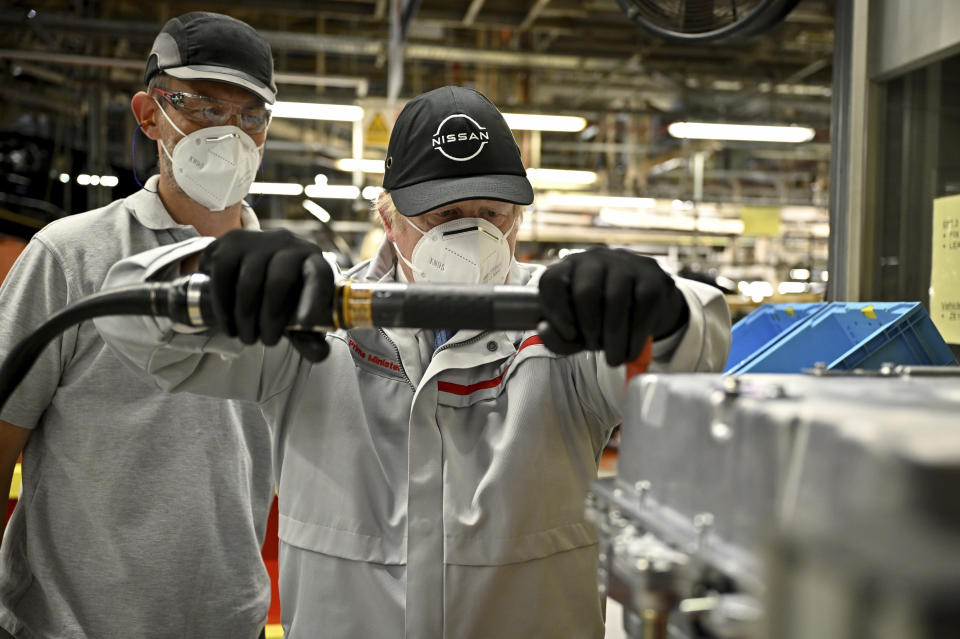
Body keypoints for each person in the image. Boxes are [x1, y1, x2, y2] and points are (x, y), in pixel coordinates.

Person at [95, 86, 731, 638]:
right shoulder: (315, 332)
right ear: (389, 216)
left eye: (491, 214)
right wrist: (210, 271)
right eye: (446, 214)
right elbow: (139, 333)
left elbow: (687, 368)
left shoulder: (563, 331)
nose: (472, 235)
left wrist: (662, 308)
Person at [0, 12, 278, 639]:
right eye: (203, 107)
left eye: (250, 115)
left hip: (230, 625)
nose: (229, 133)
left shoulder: (286, 284)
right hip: (70, 626)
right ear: (150, 115)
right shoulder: (69, 258)